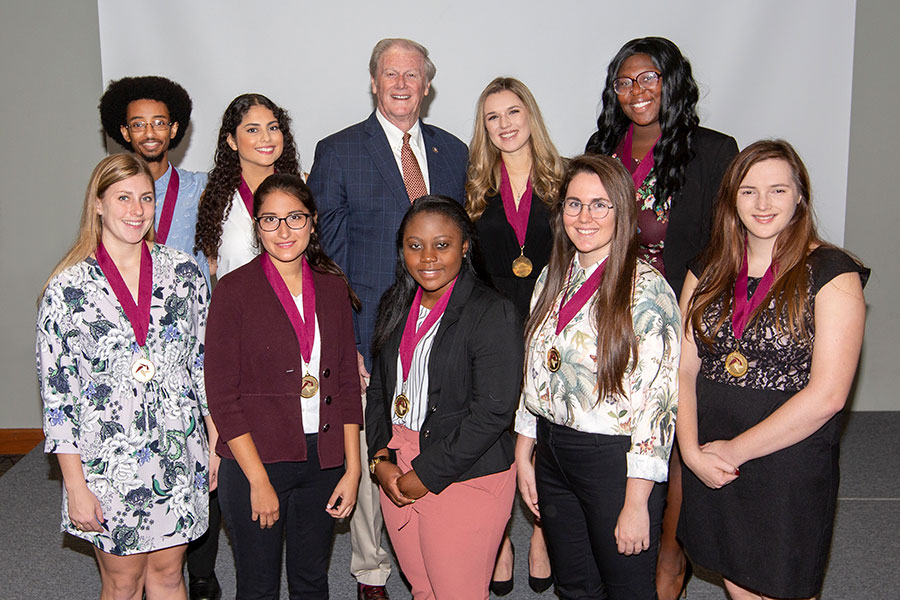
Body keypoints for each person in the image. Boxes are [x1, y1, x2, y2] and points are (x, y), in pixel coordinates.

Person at [307, 38, 468, 600]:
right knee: (376, 441)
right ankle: (371, 569)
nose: (402, 83)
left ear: (428, 85)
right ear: (374, 82)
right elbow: (324, 257)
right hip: (370, 329)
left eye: (413, 74)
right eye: (390, 73)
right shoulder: (338, 151)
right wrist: (343, 341)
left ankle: (433, 540)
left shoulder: (454, 151)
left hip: (442, 328)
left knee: (431, 435)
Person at [676, 140, 868, 600]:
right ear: (731, 198)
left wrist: (734, 452)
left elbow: (829, 396)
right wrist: (691, 452)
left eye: (777, 190)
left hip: (785, 462)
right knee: (738, 584)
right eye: (748, 191)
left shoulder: (832, 273)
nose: (762, 204)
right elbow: (682, 370)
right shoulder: (708, 267)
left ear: (799, 196)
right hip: (710, 455)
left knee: (782, 586)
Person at [585, 37, 738, 598]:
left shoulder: (715, 152)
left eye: (648, 78)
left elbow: (726, 245)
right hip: (609, 327)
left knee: (671, 456)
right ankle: (617, 555)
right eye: (624, 82)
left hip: (680, 327)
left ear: (673, 81)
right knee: (614, 447)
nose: (636, 92)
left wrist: (691, 320)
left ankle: (669, 569)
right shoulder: (602, 147)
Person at [36, 153, 214, 599]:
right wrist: (75, 485)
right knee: (123, 580)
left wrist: (215, 441)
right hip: (107, 461)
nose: (136, 211)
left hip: (178, 446)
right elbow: (58, 399)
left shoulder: (184, 273)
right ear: (98, 204)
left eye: (145, 199)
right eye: (122, 198)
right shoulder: (67, 289)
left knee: (171, 575)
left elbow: (202, 362)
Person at [515, 154, 680, 600]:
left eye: (599, 205)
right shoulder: (552, 276)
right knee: (575, 588)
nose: (584, 217)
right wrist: (526, 446)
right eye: (573, 204)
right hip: (552, 451)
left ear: (622, 211)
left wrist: (636, 502)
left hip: (614, 462)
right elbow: (536, 366)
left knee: (626, 589)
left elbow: (658, 405)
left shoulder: (648, 290)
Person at [204, 173, 363, 599]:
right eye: (270, 220)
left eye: (295, 217)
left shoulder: (331, 289)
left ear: (313, 223)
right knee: (258, 585)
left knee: (311, 581)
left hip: (324, 459)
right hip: (257, 458)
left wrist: (352, 468)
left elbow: (347, 383)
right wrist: (257, 481)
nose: (284, 231)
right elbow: (222, 396)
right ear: (257, 227)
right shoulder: (233, 291)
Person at [366, 196, 523, 600]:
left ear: (465, 246)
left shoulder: (492, 312)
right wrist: (380, 457)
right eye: (415, 245)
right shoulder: (394, 304)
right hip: (397, 461)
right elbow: (381, 391)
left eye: (442, 244)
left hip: (464, 471)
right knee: (423, 589)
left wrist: (426, 474)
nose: (428, 257)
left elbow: (492, 413)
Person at [99, 75, 220, 599]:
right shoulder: (110, 192)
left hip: (181, 345)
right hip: (124, 374)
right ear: (123, 131)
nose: (150, 131)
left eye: (159, 122)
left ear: (175, 128)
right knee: (124, 571)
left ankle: (204, 570)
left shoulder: (199, 188)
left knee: (173, 559)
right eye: (138, 122)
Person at [465, 76, 563, 594]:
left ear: (531, 116)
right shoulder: (474, 187)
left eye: (512, 112)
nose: (504, 125)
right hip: (495, 328)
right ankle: (501, 537)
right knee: (498, 438)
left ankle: (544, 533)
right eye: (492, 117)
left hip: (553, 322)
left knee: (549, 435)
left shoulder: (566, 180)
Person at [195, 93, 301, 280]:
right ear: (232, 141)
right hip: (236, 306)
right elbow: (210, 266)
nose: (266, 138)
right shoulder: (215, 200)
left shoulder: (304, 187)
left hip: (298, 305)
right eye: (253, 130)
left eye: (273, 128)